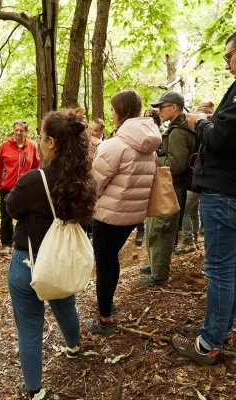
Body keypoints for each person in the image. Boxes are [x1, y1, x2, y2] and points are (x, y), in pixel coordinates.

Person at [5, 109, 96, 399]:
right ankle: (73, 346)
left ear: (52, 142)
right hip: (63, 260)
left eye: (41, 137)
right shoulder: (85, 180)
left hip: (29, 261)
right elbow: (87, 221)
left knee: (30, 326)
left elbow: (12, 208)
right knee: (65, 303)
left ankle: (34, 389)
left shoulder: (34, 180)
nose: (39, 142)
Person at [170, 31, 236, 367]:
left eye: (229, 56)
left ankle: (208, 343)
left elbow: (223, 138)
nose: (227, 64)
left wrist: (201, 124)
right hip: (227, 192)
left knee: (221, 271)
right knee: (230, 269)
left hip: (224, 193)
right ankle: (219, 328)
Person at [87, 89, 161, 335]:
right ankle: (107, 302)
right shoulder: (149, 144)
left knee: (105, 263)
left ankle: (104, 320)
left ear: (121, 112)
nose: (110, 113)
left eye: (112, 109)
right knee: (112, 258)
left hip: (109, 215)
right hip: (133, 215)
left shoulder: (115, 145)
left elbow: (93, 185)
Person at [139, 91, 197, 285]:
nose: (159, 111)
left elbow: (177, 164)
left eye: (161, 107)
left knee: (161, 230)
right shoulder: (176, 128)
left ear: (174, 107)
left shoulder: (179, 132)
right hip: (169, 187)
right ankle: (157, 264)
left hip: (172, 188)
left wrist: (155, 159)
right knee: (157, 229)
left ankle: (159, 274)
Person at [0, 120, 40, 256]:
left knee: (26, 216)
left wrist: (34, 185)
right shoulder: (5, 146)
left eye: (21, 130)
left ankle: (23, 244)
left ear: (26, 132)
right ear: (14, 130)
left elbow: (36, 167)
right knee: (6, 217)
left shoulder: (31, 146)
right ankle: (6, 244)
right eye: (16, 130)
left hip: (25, 189)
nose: (18, 133)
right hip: (7, 188)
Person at [174, 105, 210, 255]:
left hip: (195, 183)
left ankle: (189, 241)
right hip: (199, 183)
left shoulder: (203, 138)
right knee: (193, 211)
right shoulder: (203, 137)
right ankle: (194, 240)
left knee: (187, 210)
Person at [134, 107, 164, 247]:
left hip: (156, 173)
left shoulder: (162, 133)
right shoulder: (140, 133)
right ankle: (140, 232)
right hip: (142, 173)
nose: (147, 118)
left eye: (150, 116)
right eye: (145, 116)